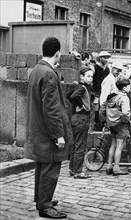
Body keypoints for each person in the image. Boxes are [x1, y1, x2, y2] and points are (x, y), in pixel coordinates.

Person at [26, 37, 72, 219]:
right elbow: (51, 108)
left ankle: (41, 199)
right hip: (48, 130)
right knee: (50, 168)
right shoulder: (49, 74)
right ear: (58, 53)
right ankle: (44, 206)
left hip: (38, 127)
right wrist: (58, 135)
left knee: (42, 165)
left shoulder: (36, 70)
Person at [101, 76, 131, 176]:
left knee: (113, 145)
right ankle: (116, 168)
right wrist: (128, 122)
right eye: (129, 86)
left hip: (112, 124)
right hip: (121, 125)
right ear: (124, 88)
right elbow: (126, 113)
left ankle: (109, 166)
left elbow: (103, 107)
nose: (130, 88)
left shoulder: (111, 96)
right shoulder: (124, 97)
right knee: (119, 146)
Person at [67, 67, 94, 179]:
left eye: (92, 76)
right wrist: (81, 105)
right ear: (82, 76)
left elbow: (68, 95)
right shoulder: (82, 88)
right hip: (81, 118)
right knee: (80, 146)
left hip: (76, 118)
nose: (90, 78)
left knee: (75, 145)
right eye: (88, 76)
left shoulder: (79, 86)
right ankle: (78, 171)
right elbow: (73, 96)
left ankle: (72, 169)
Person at [92, 51, 111, 130]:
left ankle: (102, 124)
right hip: (96, 91)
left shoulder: (107, 69)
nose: (106, 59)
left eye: (107, 58)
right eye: (104, 57)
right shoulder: (94, 67)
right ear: (100, 58)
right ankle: (95, 124)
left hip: (104, 91)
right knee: (95, 108)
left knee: (103, 108)